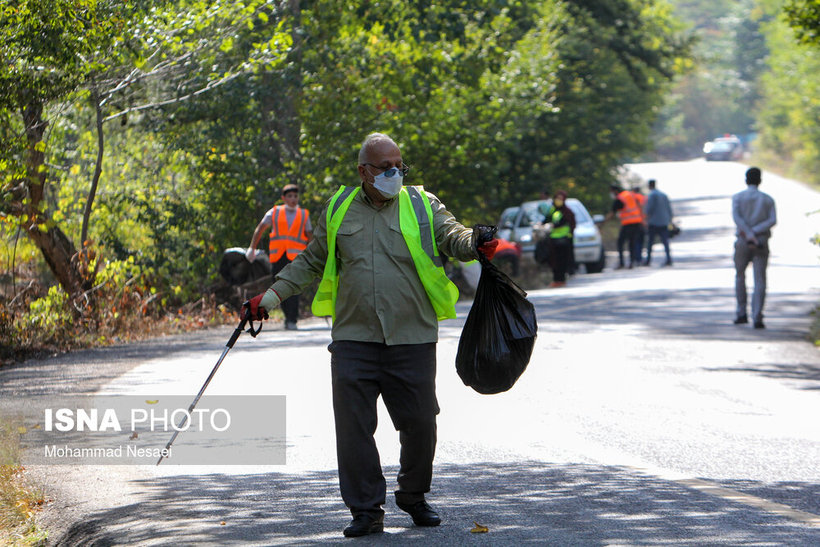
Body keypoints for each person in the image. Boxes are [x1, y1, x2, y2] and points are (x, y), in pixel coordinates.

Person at [243, 133, 498, 537]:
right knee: (353, 427)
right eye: (385, 167)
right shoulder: (339, 208)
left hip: (411, 336)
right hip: (353, 338)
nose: (394, 173)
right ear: (363, 171)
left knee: (420, 422)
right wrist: (271, 296)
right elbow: (310, 261)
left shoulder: (421, 204)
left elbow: (454, 237)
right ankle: (365, 510)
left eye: (400, 165)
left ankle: (413, 495)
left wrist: (476, 240)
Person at [246, 184, 312, 330]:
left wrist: (312, 256)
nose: (293, 199)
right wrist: (252, 248)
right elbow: (260, 229)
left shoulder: (303, 214)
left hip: (296, 258)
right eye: (290, 196)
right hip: (278, 257)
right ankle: (287, 316)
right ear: (283, 198)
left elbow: (310, 237)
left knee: (294, 288)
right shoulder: (274, 212)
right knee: (279, 288)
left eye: (295, 196)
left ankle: (292, 319)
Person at [732, 167, 776, 329]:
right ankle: (757, 316)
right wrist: (756, 233)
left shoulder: (738, 198)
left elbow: (737, 218)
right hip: (761, 240)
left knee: (739, 276)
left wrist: (748, 233)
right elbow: (772, 220)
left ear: (746, 180)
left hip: (743, 240)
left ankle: (741, 312)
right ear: (760, 180)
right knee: (760, 279)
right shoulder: (767, 199)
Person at [542, 190, 576, 287]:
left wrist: (555, 226)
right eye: (557, 198)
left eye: (561, 199)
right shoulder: (553, 210)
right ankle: (556, 280)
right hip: (553, 240)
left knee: (562, 261)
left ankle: (561, 279)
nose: (558, 201)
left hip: (564, 240)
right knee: (553, 260)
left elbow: (570, 224)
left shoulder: (567, 212)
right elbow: (546, 219)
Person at [606, 184, 644, 269]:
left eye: (611, 192)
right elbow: (639, 206)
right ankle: (632, 262)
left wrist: (603, 223)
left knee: (620, 242)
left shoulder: (619, 199)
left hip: (628, 223)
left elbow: (612, 213)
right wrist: (643, 219)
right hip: (637, 222)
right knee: (632, 243)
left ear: (615, 191)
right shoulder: (629, 194)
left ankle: (622, 263)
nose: (611, 194)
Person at [644, 179, 673, 266]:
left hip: (654, 222)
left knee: (650, 242)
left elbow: (649, 209)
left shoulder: (652, 195)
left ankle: (648, 260)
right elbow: (669, 209)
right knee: (665, 242)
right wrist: (670, 220)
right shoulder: (663, 195)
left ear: (649, 186)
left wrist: (645, 219)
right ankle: (669, 259)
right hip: (664, 221)